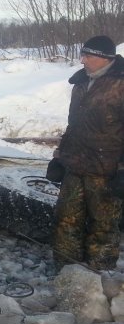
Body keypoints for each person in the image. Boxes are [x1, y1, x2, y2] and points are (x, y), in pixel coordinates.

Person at [52, 35, 124, 270]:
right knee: (66, 218)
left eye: (88, 56)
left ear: (105, 59)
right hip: (75, 164)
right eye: (83, 55)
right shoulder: (81, 83)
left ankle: (99, 276)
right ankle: (66, 270)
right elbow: (73, 125)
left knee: (103, 225)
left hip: (106, 170)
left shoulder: (121, 84)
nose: (82, 60)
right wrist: (59, 158)